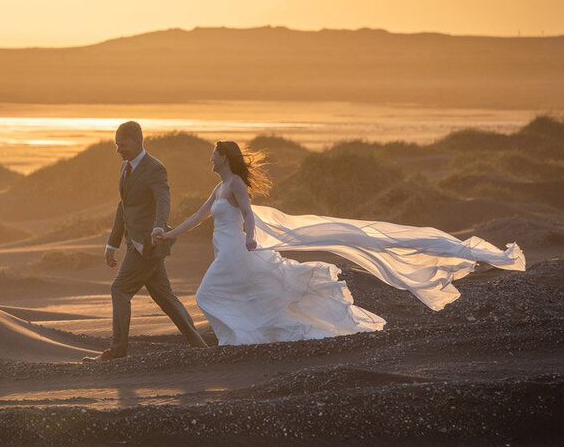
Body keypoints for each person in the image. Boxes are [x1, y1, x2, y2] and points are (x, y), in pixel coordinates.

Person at [157, 140, 525, 345]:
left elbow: (250, 215)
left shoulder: (235, 183)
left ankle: (237, 341)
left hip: (237, 250)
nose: (210, 157)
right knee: (258, 296)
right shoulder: (217, 187)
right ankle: (249, 340)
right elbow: (199, 217)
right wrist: (170, 233)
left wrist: (252, 237)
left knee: (208, 295)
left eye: (214, 153)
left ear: (224, 157)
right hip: (226, 250)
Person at [87, 121, 208, 361]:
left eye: (121, 145)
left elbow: (164, 200)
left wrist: (158, 227)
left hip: (148, 243)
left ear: (137, 141)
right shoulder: (125, 167)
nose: (118, 150)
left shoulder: (155, 168)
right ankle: (201, 348)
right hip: (136, 243)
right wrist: (112, 243)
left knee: (119, 289)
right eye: (116, 145)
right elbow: (124, 206)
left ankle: (118, 351)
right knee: (165, 297)